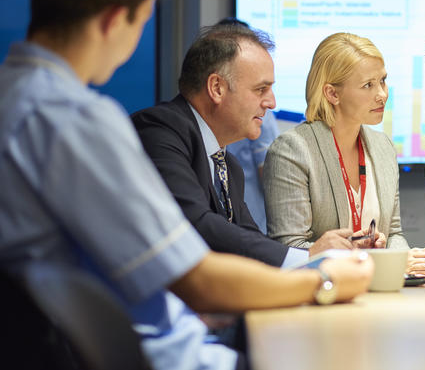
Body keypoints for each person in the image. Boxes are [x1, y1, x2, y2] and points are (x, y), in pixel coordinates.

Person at [0, 0, 372, 369]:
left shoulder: (16, 97)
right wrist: (322, 279)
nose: (270, 103)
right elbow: (195, 278)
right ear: (113, 18)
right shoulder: (75, 118)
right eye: (142, 19)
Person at [132, 24, 354, 268]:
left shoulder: (228, 165)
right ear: (217, 88)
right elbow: (194, 224)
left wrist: (316, 254)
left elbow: (250, 242)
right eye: (261, 89)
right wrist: (310, 257)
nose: (271, 102)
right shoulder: (160, 130)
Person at [264, 32, 425, 276]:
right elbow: (290, 249)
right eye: (368, 85)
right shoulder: (292, 150)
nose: (382, 94)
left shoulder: (383, 146)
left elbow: (394, 233)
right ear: (332, 94)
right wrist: (384, 263)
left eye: (383, 81)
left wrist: (411, 261)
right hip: (320, 297)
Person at [214, 17, 281, 232]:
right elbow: (271, 178)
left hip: (244, 227)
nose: (270, 103)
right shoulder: (258, 111)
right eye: (260, 89)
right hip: (247, 228)